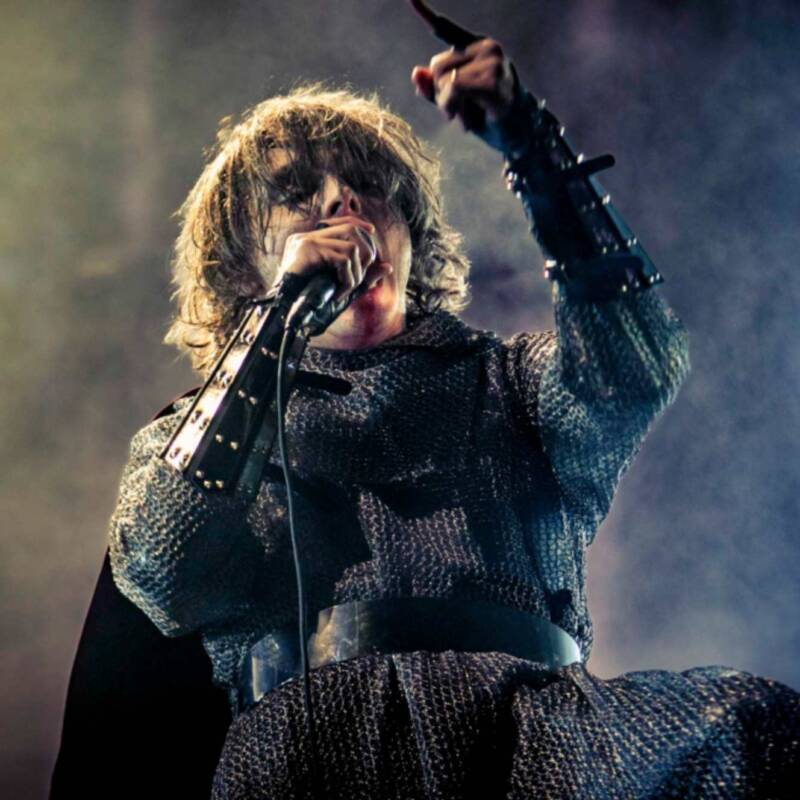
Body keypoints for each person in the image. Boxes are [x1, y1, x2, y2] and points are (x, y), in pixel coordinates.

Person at [101, 36, 798, 799]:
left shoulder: (513, 382)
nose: (342, 203)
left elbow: (637, 367)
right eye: (298, 194)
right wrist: (280, 316)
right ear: (243, 268)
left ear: (411, 235)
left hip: (533, 747)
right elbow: (163, 568)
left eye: (369, 187)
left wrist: (532, 145)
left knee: (756, 729)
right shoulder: (197, 435)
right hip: (311, 760)